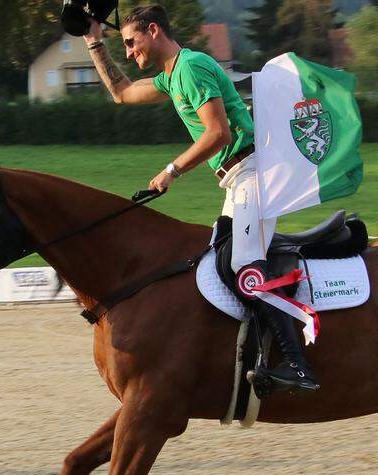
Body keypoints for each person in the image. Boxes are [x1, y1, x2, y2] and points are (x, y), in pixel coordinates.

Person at [82, 5, 318, 393]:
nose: (127, 52)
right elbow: (121, 93)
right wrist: (94, 41)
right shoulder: (171, 77)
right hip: (238, 180)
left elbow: (219, 134)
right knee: (219, 264)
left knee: (246, 267)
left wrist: (172, 171)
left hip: (253, 174)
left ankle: (297, 365)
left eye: (130, 42)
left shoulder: (190, 67)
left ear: (154, 30)